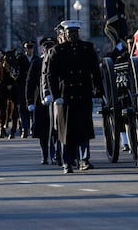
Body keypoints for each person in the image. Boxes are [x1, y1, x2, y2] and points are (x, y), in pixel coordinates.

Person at [46, 20, 102, 173]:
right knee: (66, 131)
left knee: (83, 129)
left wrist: (99, 91)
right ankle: (67, 162)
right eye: (70, 33)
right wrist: (55, 95)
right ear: (64, 34)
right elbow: (51, 75)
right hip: (66, 96)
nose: (73, 35)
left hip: (83, 93)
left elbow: (95, 71)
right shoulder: (58, 50)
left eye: (75, 32)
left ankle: (84, 160)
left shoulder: (87, 48)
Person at [26, 36, 61, 164]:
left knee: (56, 130)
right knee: (43, 132)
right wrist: (29, 101)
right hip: (40, 102)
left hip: (56, 100)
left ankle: (57, 153)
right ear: (42, 49)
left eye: (51, 46)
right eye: (46, 47)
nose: (48, 49)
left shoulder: (58, 61)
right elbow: (30, 83)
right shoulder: (36, 63)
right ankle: (45, 155)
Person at [17, 40, 37, 138]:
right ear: (24, 49)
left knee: (34, 109)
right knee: (23, 109)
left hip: (34, 88)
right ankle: (24, 128)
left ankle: (33, 128)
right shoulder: (20, 59)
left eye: (31, 48)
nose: (29, 50)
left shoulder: (36, 59)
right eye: (27, 48)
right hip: (22, 87)